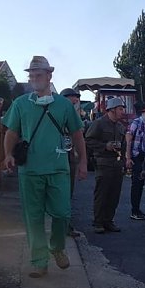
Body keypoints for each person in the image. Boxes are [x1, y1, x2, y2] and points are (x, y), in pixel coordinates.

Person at [2, 56, 87, 278]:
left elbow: (77, 134)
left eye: (39, 74)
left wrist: (83, 162)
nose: (34, 79)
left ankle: (56, 247)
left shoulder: (63, 105)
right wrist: (8, 154)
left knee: (62, 214)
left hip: (59, 169)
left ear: (49, 76)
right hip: (30, 170)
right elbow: (11, 132)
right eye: (31, 75)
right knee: (34, 218)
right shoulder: (21, 104)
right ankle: (39, 261)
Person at [86, 97, 128, 234]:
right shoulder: (99, 123)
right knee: (102, 193)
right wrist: (105, 146)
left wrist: (124, 161)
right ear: (112, 110)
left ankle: (108, 220)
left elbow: (123, 145)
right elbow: (88, 140)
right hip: (103, 163)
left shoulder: (120, 126)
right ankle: (98, 222)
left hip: (116, 164)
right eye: (120, 109)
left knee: (114, 194)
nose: (122, 112)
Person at [60, 87, 85, 237]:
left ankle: (66, 225)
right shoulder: (61, 113)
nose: (76, 101)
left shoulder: (72, 114)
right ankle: (63, 226)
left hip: (68, 157)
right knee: (62, 193)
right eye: (73, 98)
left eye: (76, 99)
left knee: (68, 193)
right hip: (60, 157)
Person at [125, 103, 145, 220]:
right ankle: (134, 210)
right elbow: (129, 139)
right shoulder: (136, 123)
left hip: (143, 157)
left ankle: (137, 209)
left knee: (140, 183)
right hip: (136, 156)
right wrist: (128, 157)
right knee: (136, 184)